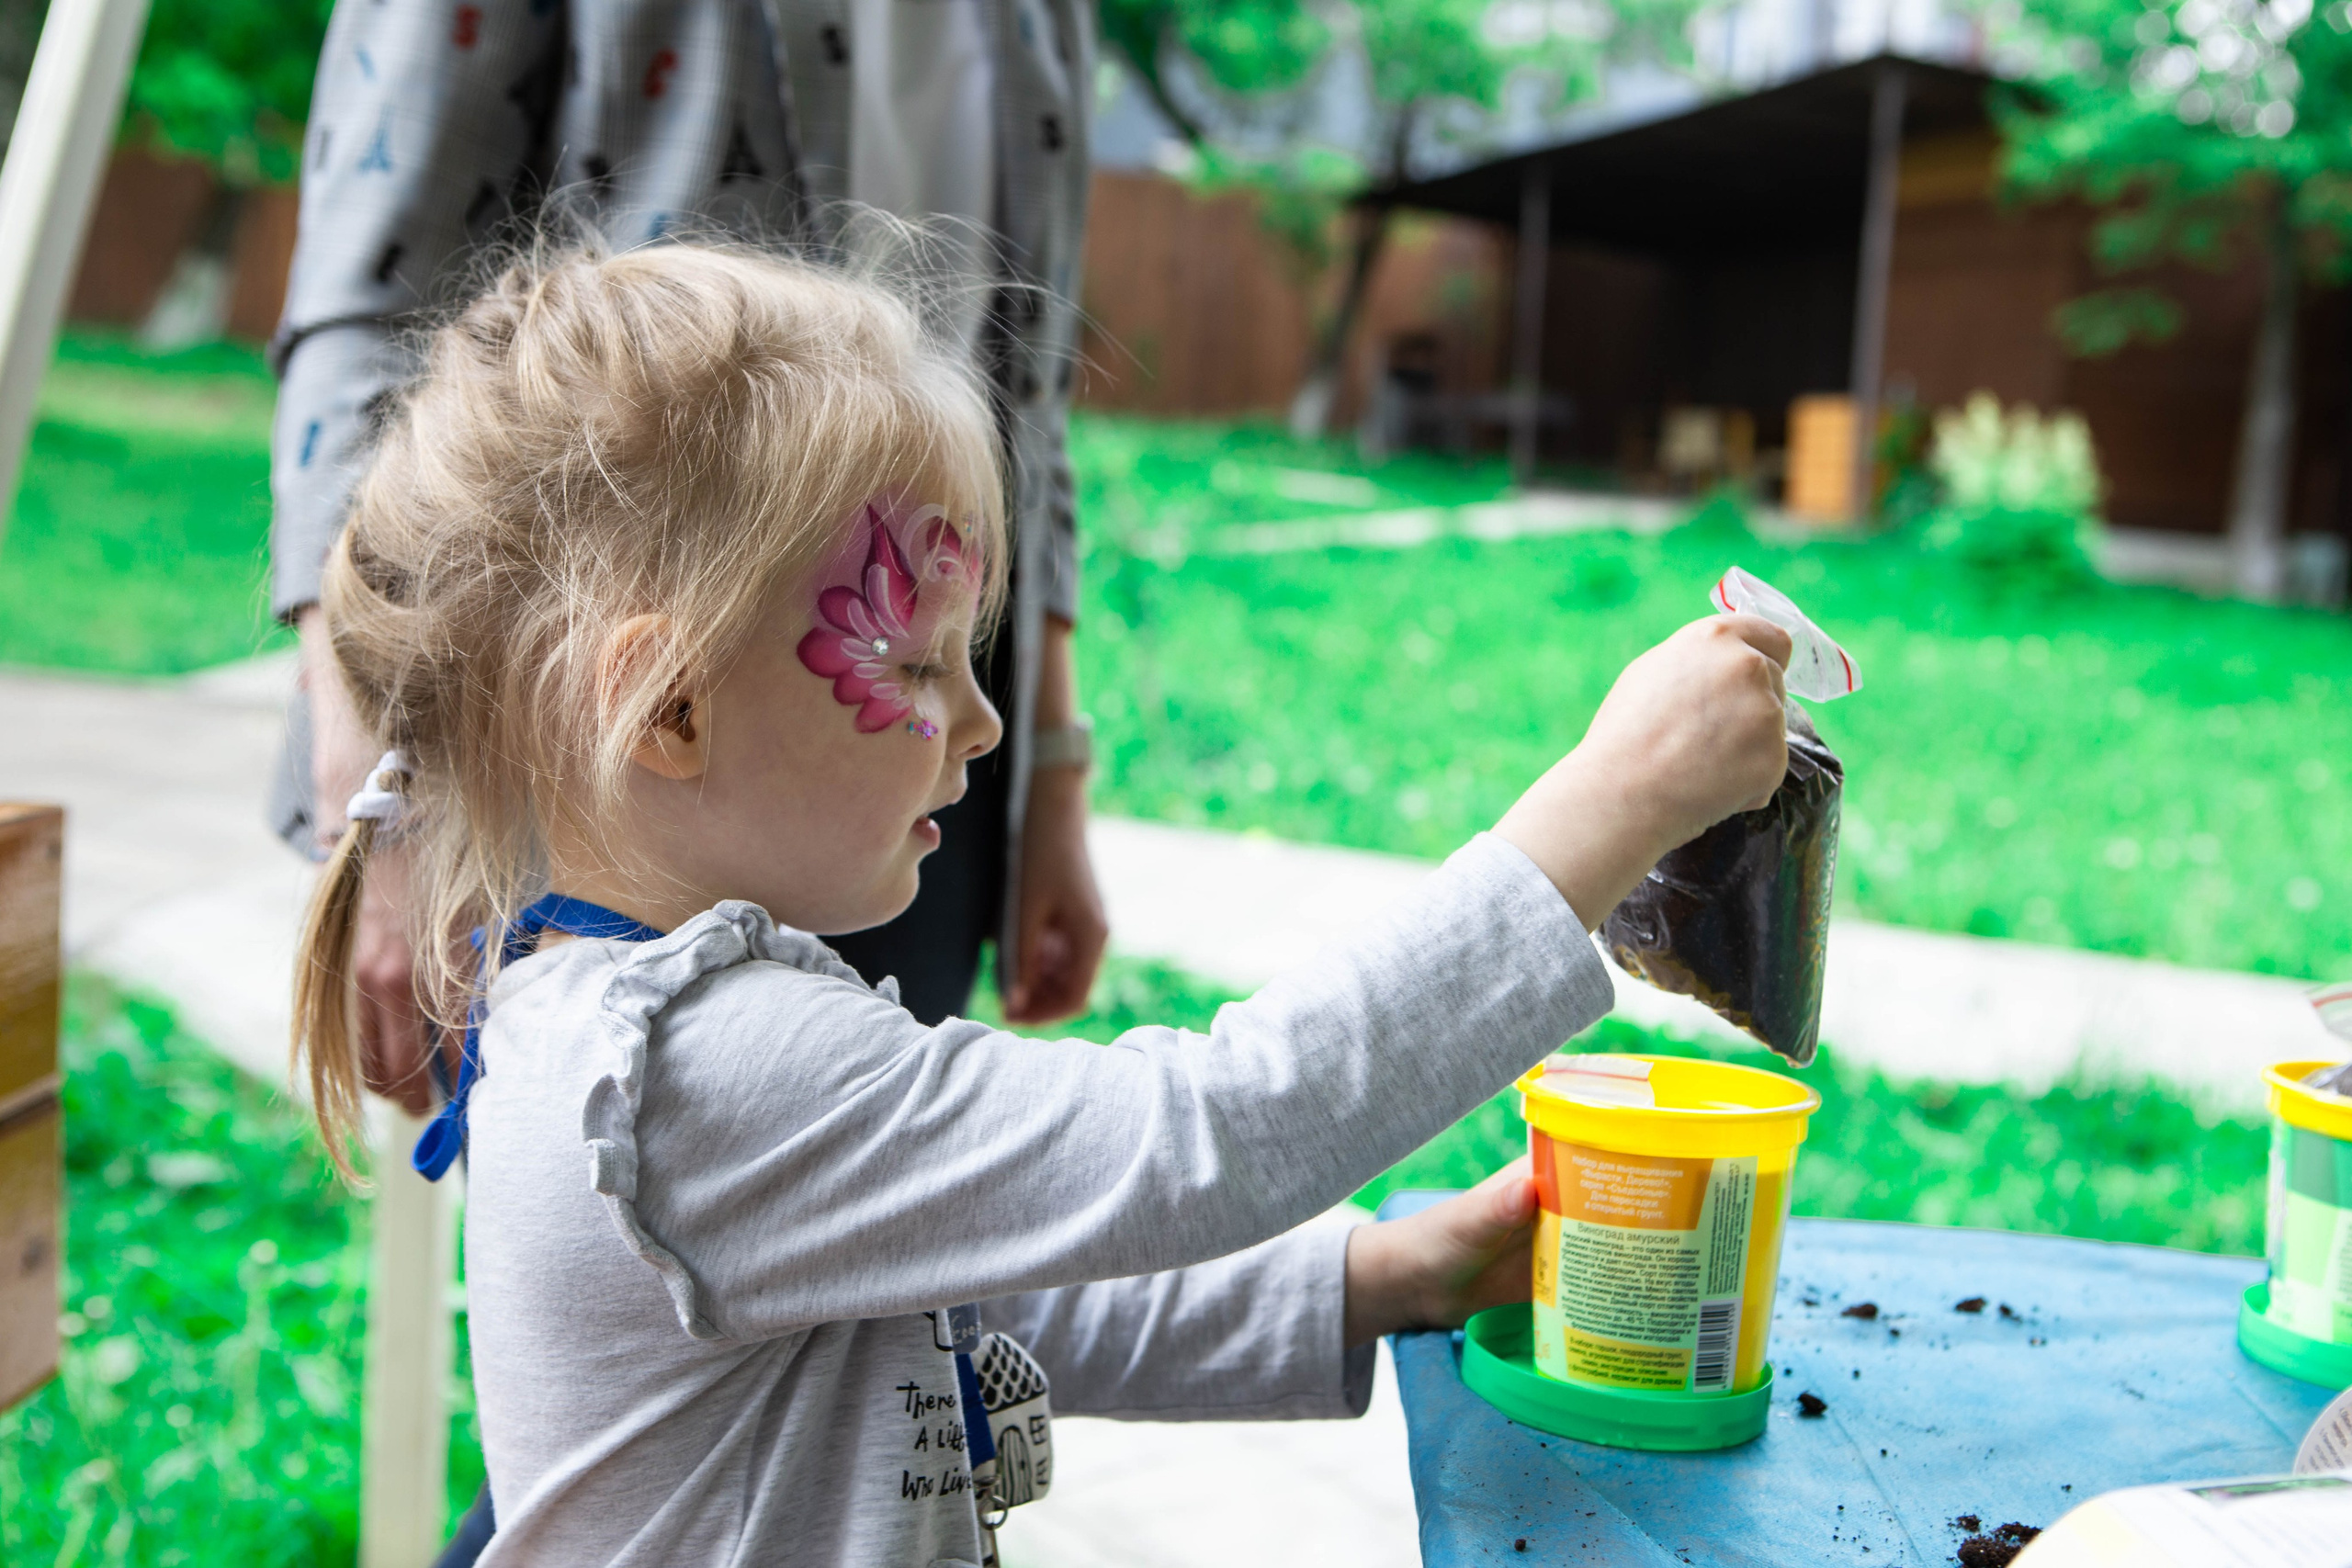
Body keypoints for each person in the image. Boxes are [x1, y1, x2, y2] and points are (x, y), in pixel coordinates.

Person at [290, 241, 1795, 1566]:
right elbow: (1197, 1134)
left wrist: (1374, 1275)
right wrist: (1611, 809)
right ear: (669, 704)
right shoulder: (690, 1072)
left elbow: (987, 1296)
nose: (982, 723)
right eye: (914, 664)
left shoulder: (643, 1024)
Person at [268, 0, 1106, 1134]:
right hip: (588, 734)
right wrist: (383, 798)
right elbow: (369, 311)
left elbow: (1033, 405)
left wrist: (1048, 776)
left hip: (890, 715)